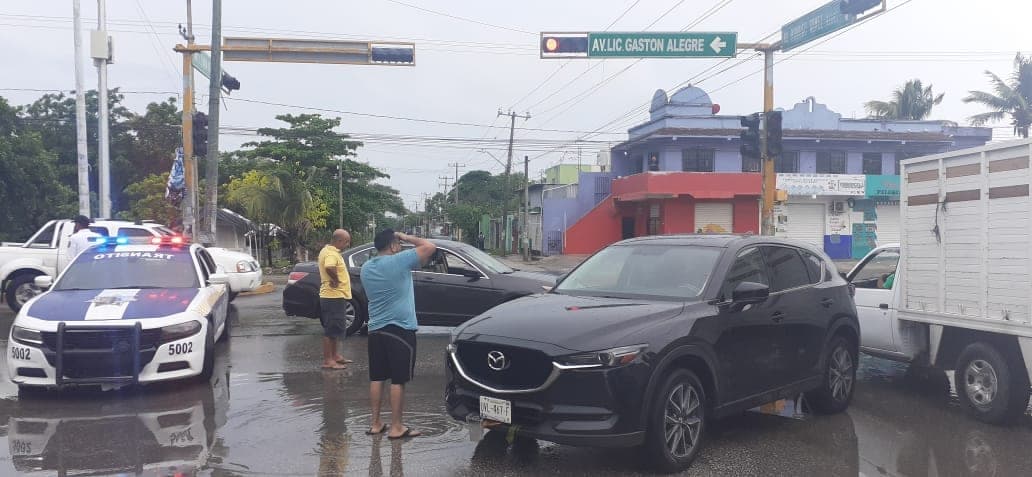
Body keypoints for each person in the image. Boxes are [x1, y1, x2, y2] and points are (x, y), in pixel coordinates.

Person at [360, 229, 436, 439]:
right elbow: (430, 247)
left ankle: (375, 423)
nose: (401, 247)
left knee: (376, 378)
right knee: (397, 380)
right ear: (393, 246)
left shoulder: (366, 267)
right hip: (400, 329)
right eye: (398, 244)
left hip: (375, 329)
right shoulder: (398, 261)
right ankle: (396, 427)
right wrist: (406, 236)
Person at [318, 229, 353, 370]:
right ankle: (328, 360)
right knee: (331, 330)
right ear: (338, 241)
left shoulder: (328, 251)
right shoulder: (331, 254)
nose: (347, 244)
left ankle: (335, 356)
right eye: (346, 242)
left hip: (335, 296)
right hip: (332, 296)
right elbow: (329, 267)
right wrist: (336, 279)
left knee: (337, 328)